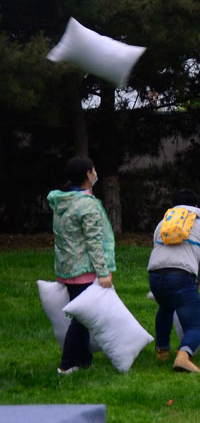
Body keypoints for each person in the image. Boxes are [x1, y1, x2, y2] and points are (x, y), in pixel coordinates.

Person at [48, 156, 115, 375]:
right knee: (82, 318)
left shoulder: (62, 201)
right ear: (88, 174)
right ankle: (67, 364)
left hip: (67, 267)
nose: (96, 173)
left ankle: (84, 361)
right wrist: (103, 271)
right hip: (84, 270)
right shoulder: (87, 205)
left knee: (83, 316)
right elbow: (93, 240)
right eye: (93, 170)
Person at [147, 189, 200, 374]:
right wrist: (199, 281)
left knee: (166, 307)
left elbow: (156, 247)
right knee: (194, 326)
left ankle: (162, 351)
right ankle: (183, 356)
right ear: (196, 207)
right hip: (181, 276)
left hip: (154, 275)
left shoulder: (162, 223)